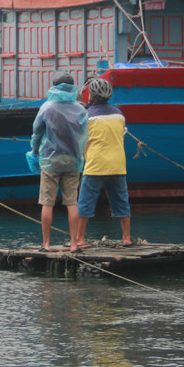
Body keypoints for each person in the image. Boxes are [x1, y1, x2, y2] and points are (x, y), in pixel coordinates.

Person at [29, 71, 88, 251]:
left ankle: (46, 244)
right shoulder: (80, 109)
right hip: (73, 161)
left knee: (47, 202)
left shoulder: (47, 108)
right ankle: (74, 244)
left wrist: (34, 150)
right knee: (72, 202)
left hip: (50, 161)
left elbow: (37, 132)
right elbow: (84, 136)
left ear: (54, 86)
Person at [75, 77, 132, 248]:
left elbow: (80, 140)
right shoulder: (119, 115)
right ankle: (127, 238)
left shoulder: (86, 116)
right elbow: (122, 133)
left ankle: (80, 239)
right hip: (117, 165)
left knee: (85, 202)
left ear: (91, 95)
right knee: (121, 201)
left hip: (95, 165)